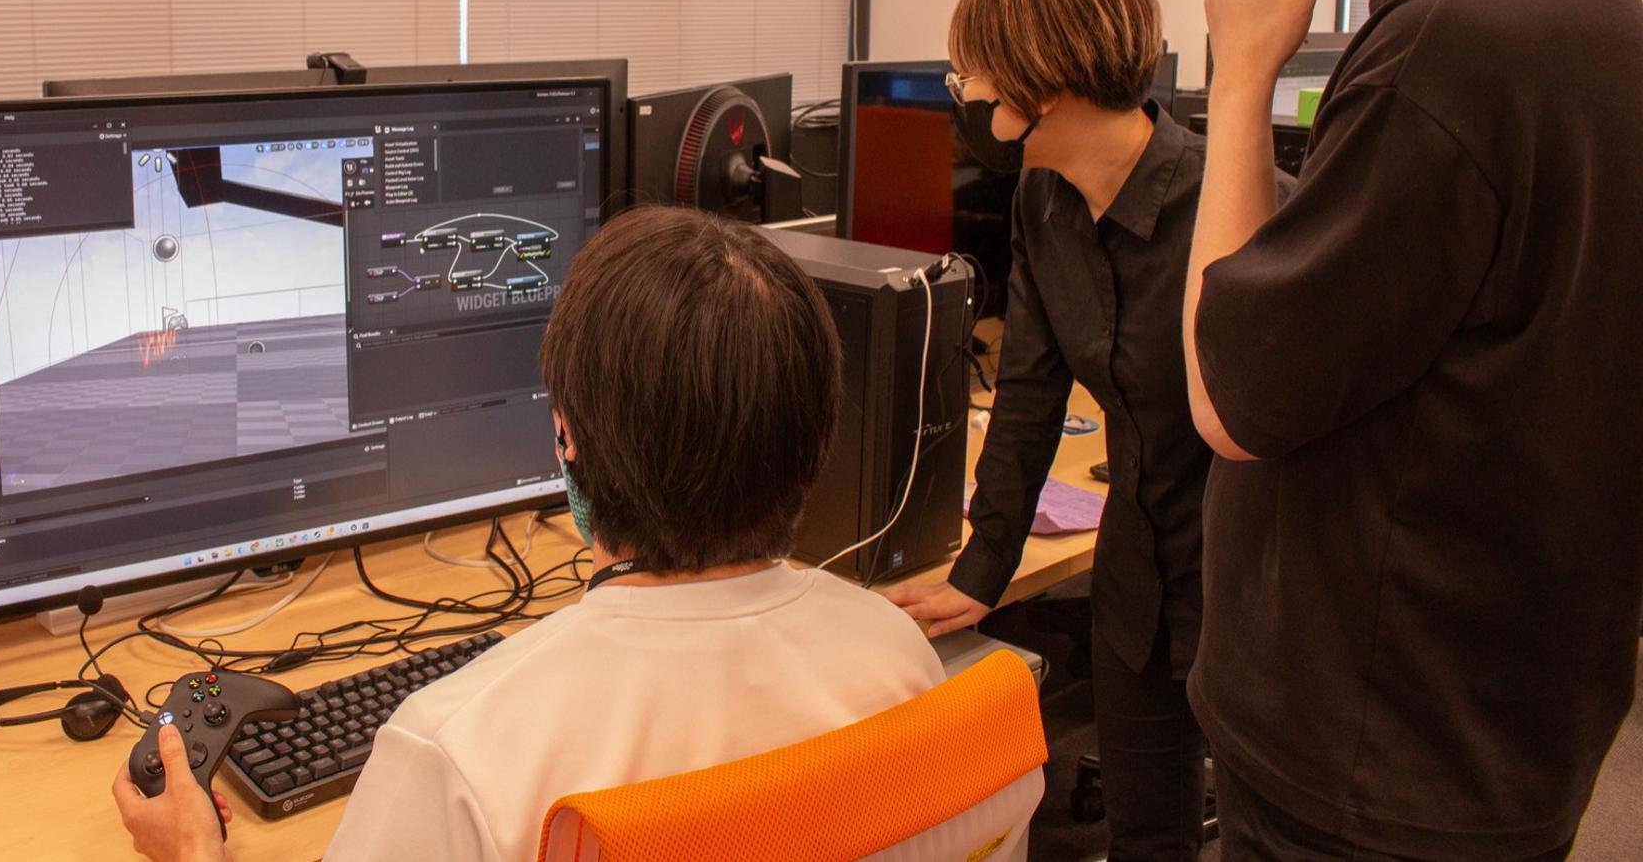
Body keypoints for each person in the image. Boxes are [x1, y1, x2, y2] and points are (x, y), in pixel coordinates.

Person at [1173, 0, 1643, 858]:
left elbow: (1230, 395)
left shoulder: (1452, 41)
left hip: (1368, 771)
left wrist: (1242, 75)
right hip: (1488, 737)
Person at [115, 206, 1038, 861]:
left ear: (568, 440)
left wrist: (196, 853)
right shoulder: (896, 656)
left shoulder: (458, 748)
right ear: (818, 436)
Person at [887, 0, 1285, 861]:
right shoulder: (1044, 198)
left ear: (1045, 84)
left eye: (971, 72)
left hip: (1251, 589)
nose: (962, 92)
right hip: (1136, 579)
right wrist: (982, 568)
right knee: (1146, 836)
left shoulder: (1238, 202)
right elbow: (1029, 390)